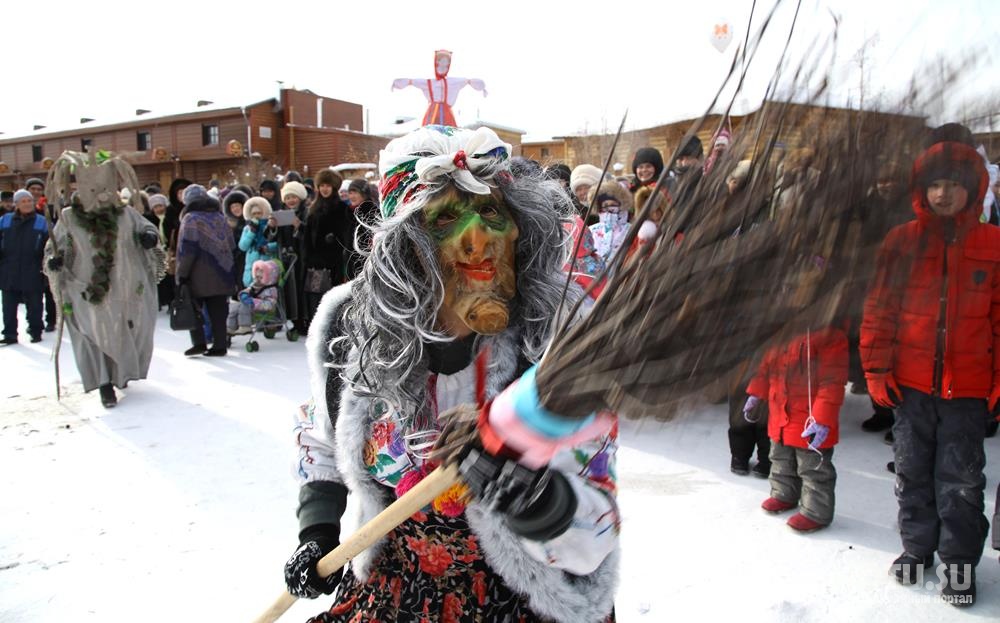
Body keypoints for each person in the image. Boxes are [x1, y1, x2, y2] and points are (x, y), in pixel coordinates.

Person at [286, 125, 619, 622]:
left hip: (520, 600)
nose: (477, 241)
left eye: (490, 213)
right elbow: (323, 438)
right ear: (407, 246)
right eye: (444, 220)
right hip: (394, 592)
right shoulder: (351, 327)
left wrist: (520, 491)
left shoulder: (558, 341)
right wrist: (317, 532)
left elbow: (593, 535)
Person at [862, 124, 1000, 607]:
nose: (944, 194)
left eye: (954, 184)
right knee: (912, 471)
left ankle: (959, 560)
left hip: (967, 390)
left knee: (962, 478)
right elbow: (879, 310)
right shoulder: (900, 241)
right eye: (935, 184)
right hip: (911, 386)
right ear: (922, 190)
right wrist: (877, 370)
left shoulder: (993, 243)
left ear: (973, 188)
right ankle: (917, 548)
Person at [45, 152, 161, 407]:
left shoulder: (126, 214)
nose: (103, 194)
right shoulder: (69, 217)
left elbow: (146, 227)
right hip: (86, 287)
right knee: (93, 333)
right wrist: (55, 261)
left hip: (125, 285)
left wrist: (149, 237)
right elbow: (55, 248)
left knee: (123, 331)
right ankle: (103, 383)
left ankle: (121, 373)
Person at [745, 326, 846, 532]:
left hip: (810, 416)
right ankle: (784, 493)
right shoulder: (781, 330)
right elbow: (766, 368)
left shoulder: (829, 335)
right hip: (780, 410)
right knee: (780, 458)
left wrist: (822, 417)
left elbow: (832, 381)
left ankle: (816, 511)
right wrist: (757, 392)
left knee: (813, 467)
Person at [175, 184, 235, 357]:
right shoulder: (219, 216)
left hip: (197, 273)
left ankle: (199, 343)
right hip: (223, 271)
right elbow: (231, 244)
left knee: (193, 308)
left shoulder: (190, 218)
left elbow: (188, 249)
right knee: (218, 311)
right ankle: (220, 345)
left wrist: (182, 275)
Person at [0, 189, 48, 344]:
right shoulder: (5, 220)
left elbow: (50, 246)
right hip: (9, 269)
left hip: (33, 269)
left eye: (29, 201)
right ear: (16, 204)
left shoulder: (42, 222)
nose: (27, 204)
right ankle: (10, 334)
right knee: (8, 306)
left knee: (35, 304)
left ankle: (36, 331)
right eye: (23, 201)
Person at [302, 169, 345, 328]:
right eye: (322, 185)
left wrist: (333, 241)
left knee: (332, 299)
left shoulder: (341, 209)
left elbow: (345, 237)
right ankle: (317, 329)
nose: (325, 189)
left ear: (334, 188)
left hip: (333, 264)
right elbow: (307, 237)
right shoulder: (313, 209)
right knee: (315, 299)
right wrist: (308, 258)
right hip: (315, 264)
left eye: (328, 185)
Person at [227, 259, 279, 335]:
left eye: (261, 277)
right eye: (256, 277)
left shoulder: (271, 289)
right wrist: (243, 294)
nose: (258, 279)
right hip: (252, 307)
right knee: (234, 306)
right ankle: (230, 327)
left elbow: (270, 304)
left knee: (244, 306)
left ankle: (245, 326)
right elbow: (248, 290)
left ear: (268, 277)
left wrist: (253, 302)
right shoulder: (255, 284)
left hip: (263, 309)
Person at [587, 181, 633, 265]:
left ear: (621, 205)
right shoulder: (592, 230)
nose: (609, 208)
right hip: (598, 275)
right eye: (605, 205)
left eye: (613, 204)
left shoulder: (631, 230)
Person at [238, 197, 278, 287]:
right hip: (251, 266)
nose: (256, 216)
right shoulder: (248, 228)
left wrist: (268, 248)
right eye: (254, 214)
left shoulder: (270, 225)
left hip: (267, 263)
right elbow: (242, 246)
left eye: (259, 213)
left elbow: (278, 243)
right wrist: (252, 232)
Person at [224, 190, 249, 292]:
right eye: (232, 207)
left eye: (238, 206)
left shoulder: (250, 221)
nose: (235, 209)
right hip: (235, 260)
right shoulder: (227, 224)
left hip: (249, 258)